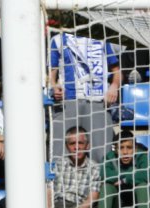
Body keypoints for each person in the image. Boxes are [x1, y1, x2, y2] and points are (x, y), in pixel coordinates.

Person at [49, 31, 120, 160]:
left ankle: (100, 179)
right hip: (67, 101)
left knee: (101, 152)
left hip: (98, 101)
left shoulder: (102, 38)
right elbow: (50, 75)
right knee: (61, 151)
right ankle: (59, 179)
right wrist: (54, 87)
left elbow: (117, 71)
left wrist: (114, 86)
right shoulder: (58, 39)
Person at [51, 126, 104, 208]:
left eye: (80, 143)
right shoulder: (58, 165)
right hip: (59, 205)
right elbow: (48, 191)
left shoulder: (95, 167)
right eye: (72, 143)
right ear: (66, 146)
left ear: (87, 145)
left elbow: (92, 198)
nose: (76, 147)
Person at [100, 130, 150, 208]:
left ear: (135, 148)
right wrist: (132, 175)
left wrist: (124, 180)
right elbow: (104, 175)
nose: (125, 152)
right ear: (116, 150)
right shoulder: (109, 157)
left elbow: (145, 174)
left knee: (142, 185)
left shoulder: (142, 156)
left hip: (139, 206)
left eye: (129, 147)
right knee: (107, 186)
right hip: (118, 207)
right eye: (121, 148)